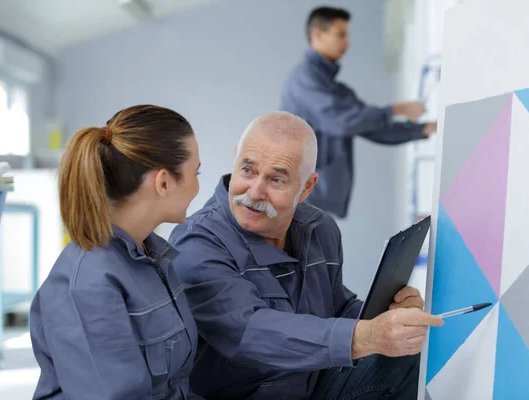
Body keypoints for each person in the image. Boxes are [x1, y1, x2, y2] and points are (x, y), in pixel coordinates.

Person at [169, 111, 443, 400]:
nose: (255, 191)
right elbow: (249, 331)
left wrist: (387, 316)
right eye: (247, 170)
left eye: (276, 179)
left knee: (406, 355)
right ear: (236, 160)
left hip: (310, 386)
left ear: (307, 187)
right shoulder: (196, 242)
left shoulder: (319, 228)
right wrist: (365, 336)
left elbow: (337, 306)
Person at [30, 105, 204, 399]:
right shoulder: (89, 286)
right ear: (163, 182)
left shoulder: (151, 257)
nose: (199, 184)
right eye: (196, 172)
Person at [280, 6, 438, 218]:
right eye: (340, 35)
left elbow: (373, 128)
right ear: (318, 34)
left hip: (315, 201)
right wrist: (398, 109)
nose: (347, 42)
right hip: (301, 201)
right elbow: (345, 121)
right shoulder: (304, 80)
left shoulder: (335, 89)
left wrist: (427, 128)